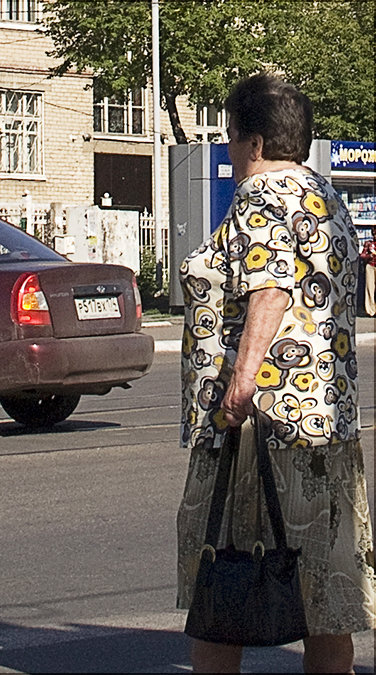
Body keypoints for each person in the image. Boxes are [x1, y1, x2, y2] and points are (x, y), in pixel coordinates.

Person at [175, 73, 374, 673]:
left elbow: (269, 292)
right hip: (324, 427)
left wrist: (238, 388)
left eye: (231, 137)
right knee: (326, 591)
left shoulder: (261, 195)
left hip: (259, 427)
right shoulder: (327, 196)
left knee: (224, 575)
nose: (229, 150)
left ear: (255, 143)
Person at [361, 238, 375, 316]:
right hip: (370, 265)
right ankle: (371, 310)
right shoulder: (369, 243)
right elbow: (362, 255)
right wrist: (369, 256)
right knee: (370, 287)